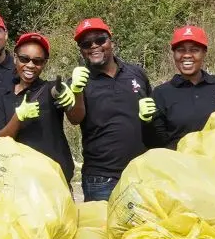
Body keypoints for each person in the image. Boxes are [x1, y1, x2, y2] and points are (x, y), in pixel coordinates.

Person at [65, 17, 156, 202]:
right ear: (81, 50)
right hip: (101, 178)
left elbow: (152, 114)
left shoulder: (136, 73)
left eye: (100, 40)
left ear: (110, 41)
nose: (94, 46)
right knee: (102, 230)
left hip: (141, 172)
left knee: (144, 230)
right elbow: (75, 118)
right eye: (86, 43)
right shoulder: (78, 81)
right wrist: (76, 90)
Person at [0, 32, 75, 182]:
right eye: (24, 59)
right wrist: (17, 118)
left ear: (44, 63)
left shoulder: (49, 89)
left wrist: (72, 93)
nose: (30, 65)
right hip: (18, 181)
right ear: (15, 58)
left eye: (37, 61)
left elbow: (74, 116)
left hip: (54, 180)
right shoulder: (1, 94)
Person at [150, 25, 215, 148]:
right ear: (174, 54)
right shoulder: (161, 93)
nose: (187, 55)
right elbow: (157, 143)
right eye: (180, 50)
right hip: (179, 164)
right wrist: (147, 123)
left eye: (194, 50)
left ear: (204, 53)